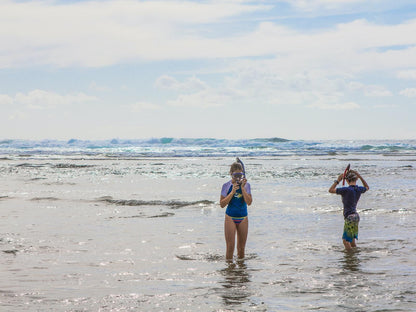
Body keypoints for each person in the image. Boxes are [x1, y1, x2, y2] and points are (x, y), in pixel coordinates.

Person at [329, 169, 369, 251]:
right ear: (356, 179)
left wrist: (338, 180)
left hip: (350, 217)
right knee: (352, 241)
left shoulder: (345, 190)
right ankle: (354, 255)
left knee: (345, 241)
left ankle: (351, 258)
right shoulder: (358, 189)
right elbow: (367, 187)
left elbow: (331, 190)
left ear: (346, 180)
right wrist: (360, 176)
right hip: (356, 217)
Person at [220, 161, 252, 261]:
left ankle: (240, 273)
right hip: (230, 217)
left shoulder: (246, 186)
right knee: (230, 248)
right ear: (231, 174)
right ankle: (230, 271)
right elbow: (222, 204)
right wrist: (233, 192)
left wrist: (242, 189)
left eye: (240, 175)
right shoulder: (226, 185)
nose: (238, 178)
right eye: (235, 175)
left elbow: (249, 202)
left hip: (243, 218)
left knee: (241, 249)